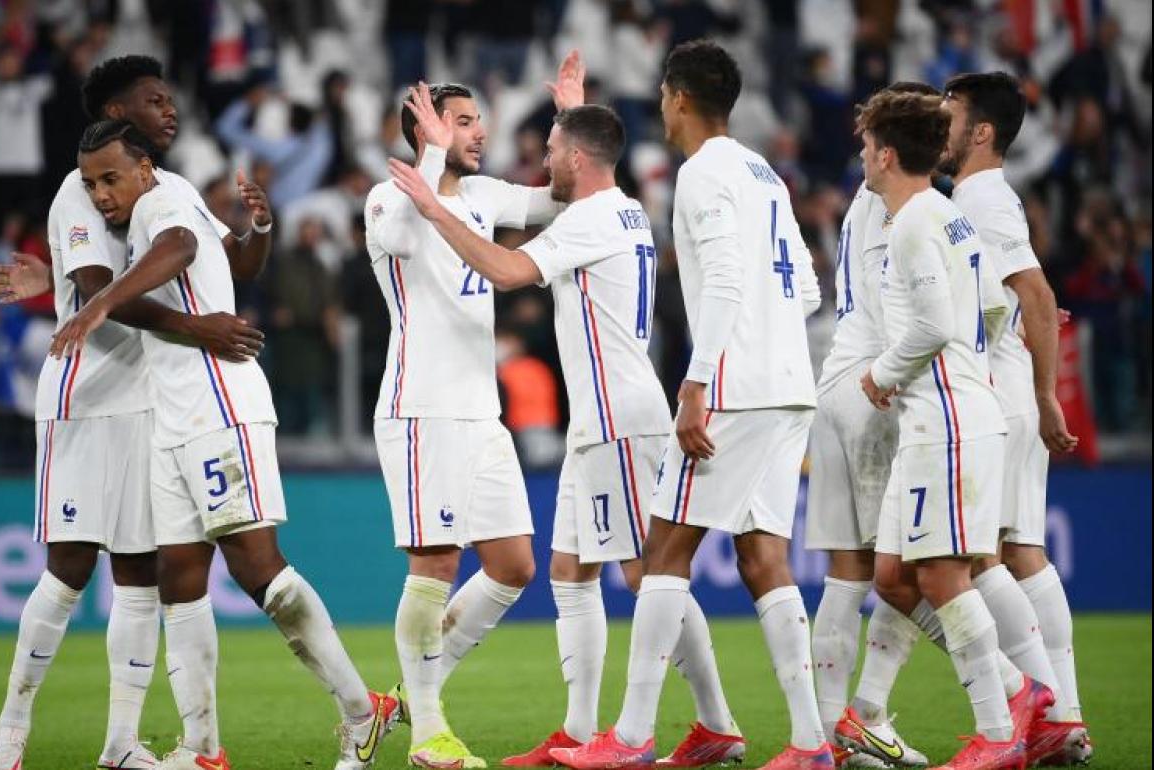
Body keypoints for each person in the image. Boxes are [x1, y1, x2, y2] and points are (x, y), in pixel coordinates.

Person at [388, 103, 746, 768]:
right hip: (599, 419)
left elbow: (506, 272)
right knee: (570, 571)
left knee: (649, 574)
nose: (541, 160)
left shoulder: (589, 218)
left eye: (552, 147)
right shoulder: (624, 206)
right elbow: (569, 173)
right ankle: (579, 730)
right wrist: (571, 107)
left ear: (578, 159)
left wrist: (435, 212)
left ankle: (714, 722)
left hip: (617, 418)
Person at [49, 121, 396, 770]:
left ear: (144, 167)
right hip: (174, 416)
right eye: (92, 183)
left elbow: (181, 247)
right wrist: (259, 232)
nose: (100, 194)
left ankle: (361, 711)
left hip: (218, 409)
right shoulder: (170, 196)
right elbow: (234, 264)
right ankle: (202, 748)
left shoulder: (161, 204)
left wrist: (99, 304)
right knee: (178, 578)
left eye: (110, 178)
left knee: (257, 566)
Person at [0, 56, 269, 770]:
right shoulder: (80, 193)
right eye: (153, 99)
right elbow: (102, 290)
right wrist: (199, 328)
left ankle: (120, 746)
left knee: (138, 572)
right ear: (115, 112)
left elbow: (225, 266)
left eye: (171, 98)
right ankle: (7, 739)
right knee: (70, 568)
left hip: (146, 398)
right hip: (86, 394)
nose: (169, 109)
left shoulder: (170, 189)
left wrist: (258, 230)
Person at [550, 40, 829, 770]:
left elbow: (731, 279)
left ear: (677, 97)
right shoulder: (765, 172)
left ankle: (632, 738)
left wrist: (699, 383)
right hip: (789, 385)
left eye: (664, 97)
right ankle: (809, 743)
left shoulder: (701, 173)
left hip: (733, 391)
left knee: (663, 552)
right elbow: (806, 286)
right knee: (764, 556)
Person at [361, 55, 580, 767]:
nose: (479, 131)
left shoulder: (483, 193)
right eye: (462, 120)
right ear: (423, 130)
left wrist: (569, 117)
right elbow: (399, 235)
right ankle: (428, 733)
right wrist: (426, 153)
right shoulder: (386, 198)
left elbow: (560, 200)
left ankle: (404, 700)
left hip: (480, 414)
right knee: (435, 567)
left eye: (479, 118)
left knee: (515, 564)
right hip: (420, 408)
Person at [855, 89, 1045, 770]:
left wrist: (882, 373)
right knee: (893, 577)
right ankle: (1020, 691)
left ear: (885, 152)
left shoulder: (911, 224)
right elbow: (994, 306)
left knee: (939, 575)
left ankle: (998, 733)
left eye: (866, 146)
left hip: (947, 424)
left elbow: (934, 324)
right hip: (944, 417)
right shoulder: (946, 215)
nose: (861, 158)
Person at [940, 71, 1090, 765]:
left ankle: (1047, 711)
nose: (940, 125)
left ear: (982, 133)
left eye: (950, 115)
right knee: (1021, 550)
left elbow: (1034, 288)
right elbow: (1020, 294)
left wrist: (1045, 392)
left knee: (976, 559)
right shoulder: (978, 197)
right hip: (1007, 388)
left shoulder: (982, 198)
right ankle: (1065, 715)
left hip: (1000, 395)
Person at [804, 82, 942, 770]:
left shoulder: (867, 199)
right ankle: (1010, 686)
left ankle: (843, 733)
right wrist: (892, 376)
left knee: (847, 571)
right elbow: (903, 305)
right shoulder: (902, 206)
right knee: (910, 567)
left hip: (837, 378)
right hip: (874, 390)